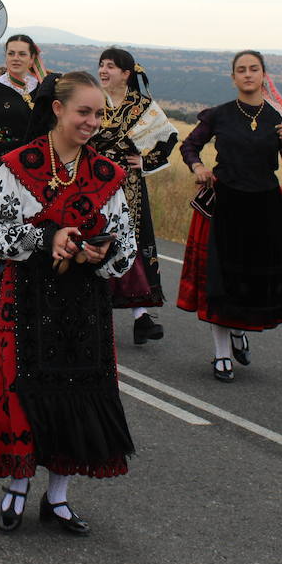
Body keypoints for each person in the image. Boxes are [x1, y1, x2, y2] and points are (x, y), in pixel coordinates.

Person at [0, 71, 138, 535]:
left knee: (77, 395)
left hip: (83, 303)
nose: (92, 121)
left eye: (99, 113)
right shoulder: (19, 163)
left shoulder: (106, 173)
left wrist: (103, 251)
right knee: (25, 394)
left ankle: (58, 497)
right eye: (84, 111)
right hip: (27, 299)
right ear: (58, 109)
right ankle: (18, 486)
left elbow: (125, 244)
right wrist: (49, 237)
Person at [177, 50, 282, 381]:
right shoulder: (219, 115)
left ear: (264, 75)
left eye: (254, 69)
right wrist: (199, 166)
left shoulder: (280, 118)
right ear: (233, 77)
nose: (248, 75)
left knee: (250, 280)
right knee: (221, 280)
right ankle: (221, 354)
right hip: (226, 203)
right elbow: (189, 146)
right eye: (241, 70)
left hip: (265, 207)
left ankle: (237, 332)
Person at [92, 48, 180, 344]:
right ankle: (94, 311)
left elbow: (168, 137)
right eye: (101, 65)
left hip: (128, 185)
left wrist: (145, 161)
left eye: (110, 67)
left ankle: (140, 315)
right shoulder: (91, 100)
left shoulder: (142, 106)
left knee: (130, 241)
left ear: (126, 74)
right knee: (94, 242)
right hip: (91, 184)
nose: (103, 71)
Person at [0, 34, 46, 295]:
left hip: (38, 167)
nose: (16, 58)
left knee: (33, 219)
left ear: (32, 58)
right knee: (8, 218)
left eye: (22, 54)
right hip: (6, 166)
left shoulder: (41, 87)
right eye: (11, 53)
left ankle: (23, 274)